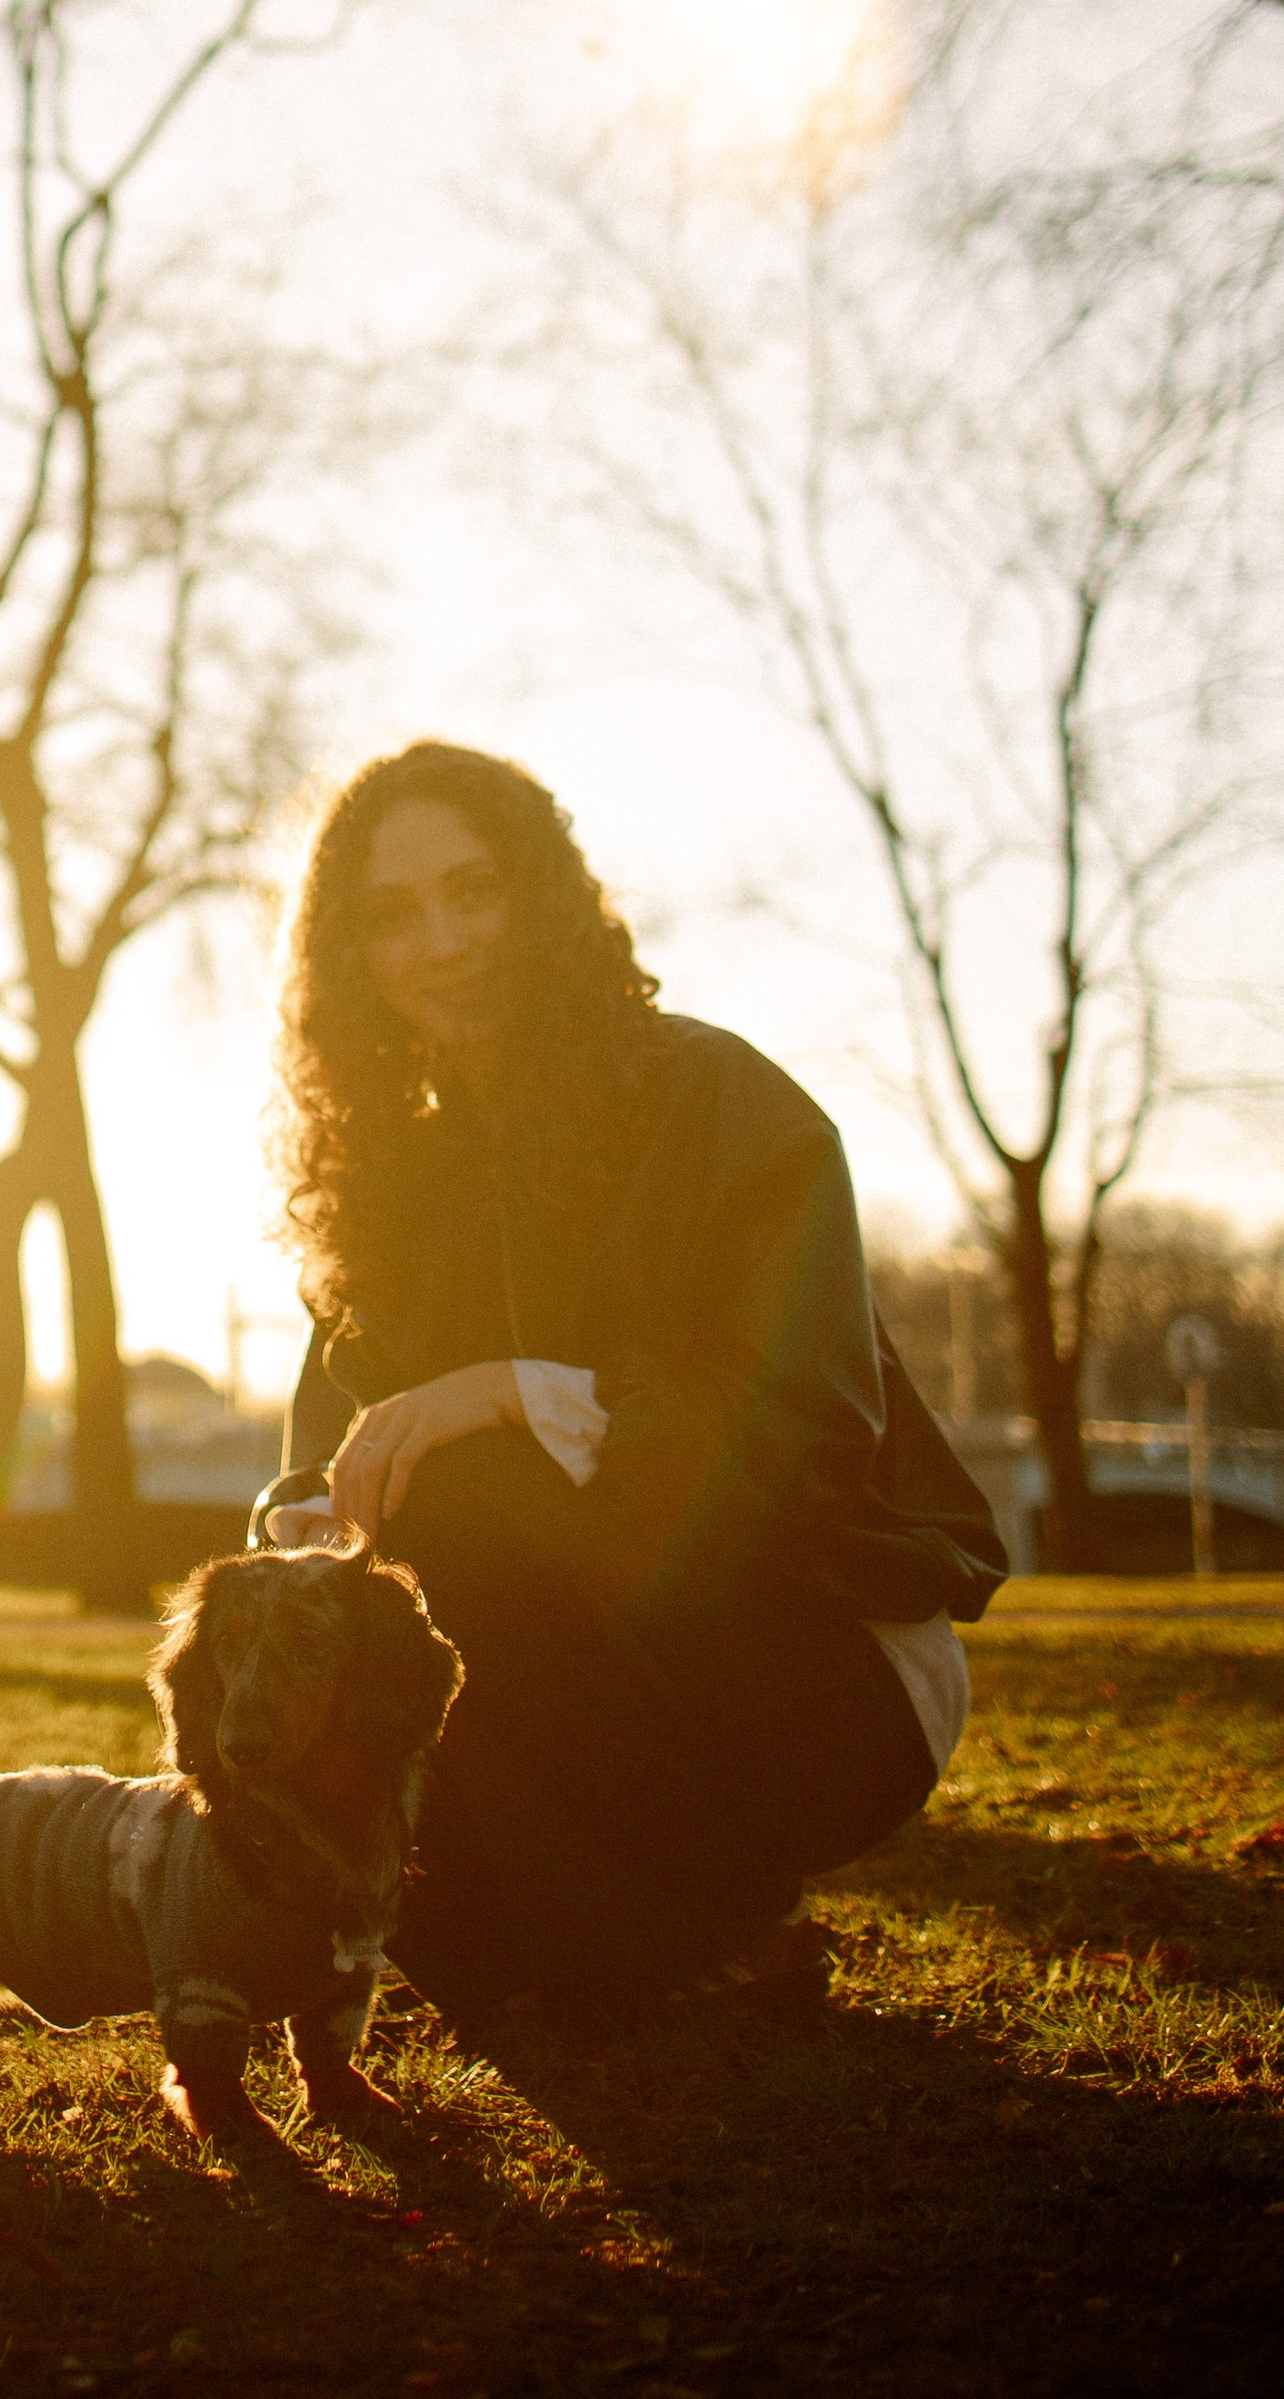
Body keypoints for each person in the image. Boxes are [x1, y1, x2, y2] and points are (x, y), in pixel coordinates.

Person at [252, 739, 1005, 2030]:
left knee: (467, 1483)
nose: (442, 941)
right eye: (391, 916)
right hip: (545, 1688)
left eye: (475, 891)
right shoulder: (383, 1185)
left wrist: (510, 1391)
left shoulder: (721, 1100)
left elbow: (801, 1443)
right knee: (464, 1948)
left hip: (815, 1667)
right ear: (350, 965)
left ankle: (712, 1921)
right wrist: (306, 1541)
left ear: (543, 897)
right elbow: (317, 1481)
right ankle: (614, 1941)